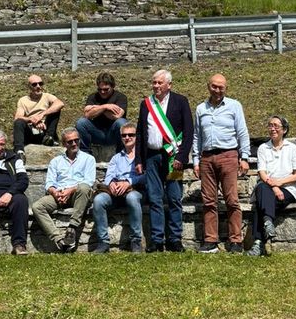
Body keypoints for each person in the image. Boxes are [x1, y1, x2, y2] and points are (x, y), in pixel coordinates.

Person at [135, 69, 193, 252]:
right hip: (152, 157)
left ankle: (175, 239)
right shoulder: (146, 104)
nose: (156, 86)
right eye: (154, 82)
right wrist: (139, 159)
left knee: (174, 197)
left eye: (160, 83)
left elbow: (189, 131)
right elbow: (140, 132)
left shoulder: (180, 102)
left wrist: (182, 157)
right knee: (154, 198)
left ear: (169, 85)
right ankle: (157, 240)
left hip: (173, 157)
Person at [192, 73, 250, 254]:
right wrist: (195, 160)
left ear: (226, 88)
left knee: (232, 200)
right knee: (209, 201)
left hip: (228, 155)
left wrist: (245, 157)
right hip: (207, 158)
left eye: (221, 87)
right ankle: (210, 240)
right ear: (208, 86)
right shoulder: (201, 108)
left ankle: (235, 241)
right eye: (214, 86)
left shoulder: (234, 106)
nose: (217, 90)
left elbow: (242, 132)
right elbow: (197, 136)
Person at [32, 127, 96, 252]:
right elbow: (49, 183)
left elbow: (89, 181)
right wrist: (55, 192)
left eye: (76, 140)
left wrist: (70, 190)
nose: (74, 144)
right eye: (70, 141)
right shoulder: (56, 161)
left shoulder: (88, 159)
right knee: (37, 206)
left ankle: (72, 228)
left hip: (78, 195)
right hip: (59, 195)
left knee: (84, 187)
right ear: (63, 144)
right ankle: (59, 239)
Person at [248, 115, 296, 258]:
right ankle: (267, 222)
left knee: (261, 205)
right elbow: (262, 173)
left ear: (284, 130)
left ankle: (258, 242)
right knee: (261, 188)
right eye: (270, 125)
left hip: (289, 188)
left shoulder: (293, 148)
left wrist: (279, 183)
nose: (272, 129)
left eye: (276, 126)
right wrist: (275, 187)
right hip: (268, 187)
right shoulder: (263, 148)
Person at [91, 122, 146, 253]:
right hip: (116, 193)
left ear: (136, 137)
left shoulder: (143, 156)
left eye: (131, 135)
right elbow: (109, 176)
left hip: (136, 190)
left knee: (132, 198)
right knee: (99, 200)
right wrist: (112, 184)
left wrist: (128, 182)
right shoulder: (116, 158)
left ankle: (136, 241)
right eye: (124, 135)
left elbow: (147, 175)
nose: (127, 138)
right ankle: (103, 242)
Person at [12, 74, 64, 159]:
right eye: (34, 84)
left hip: (44, 130)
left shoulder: (47, 96)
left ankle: (49, 138)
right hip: (31, 131)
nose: (38, 86)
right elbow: (17, 117)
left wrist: (41, 115)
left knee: (55, 110)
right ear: (29, 87)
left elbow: (60, 104)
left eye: (40, 83)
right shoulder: (23, 100)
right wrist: (32, 120)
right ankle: (19, 151)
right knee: (19, 122)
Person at [76, 71, 128, 152]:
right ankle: (85, 152)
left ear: (113, 86)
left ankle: (122, 152)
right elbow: (87, 115)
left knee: (121, 122)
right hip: (97, 132)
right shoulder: (93, 97)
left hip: (113, 133)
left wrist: (96, 109)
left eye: (106, 89)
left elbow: (117, 116)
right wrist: (105, 107)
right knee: (81, 122)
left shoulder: (121, 97)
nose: (102, 92)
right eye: (100, 89)